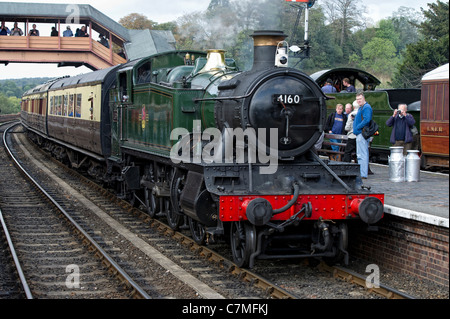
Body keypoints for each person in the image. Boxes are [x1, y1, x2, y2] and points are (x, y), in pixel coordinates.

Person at [353, 92, 373, 179]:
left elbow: (367, 119)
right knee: (360, 154)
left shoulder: (366, 107)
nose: (358, 101)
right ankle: (362, 173)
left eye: (360, 99)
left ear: (364, 98)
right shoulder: (362, 107)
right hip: (359, 133)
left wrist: (358, 126)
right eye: (357, 99)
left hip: (362, 133)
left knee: (362, 154)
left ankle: (363, 174)